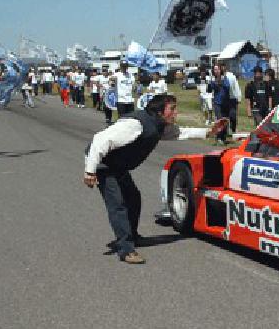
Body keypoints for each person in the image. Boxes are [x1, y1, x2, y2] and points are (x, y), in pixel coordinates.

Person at [83, 94, 227, 264]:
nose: (176, 112)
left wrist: (209, 131)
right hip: (103, 166)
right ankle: (126, 249)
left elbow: (182, 132)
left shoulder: (158, 126)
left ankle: (133, 236)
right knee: (118, 205)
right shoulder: (134, 124)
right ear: (159, 112)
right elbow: (100, 140)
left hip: (118, 167)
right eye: (172, 109)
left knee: (133, 199)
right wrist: (90, 171)